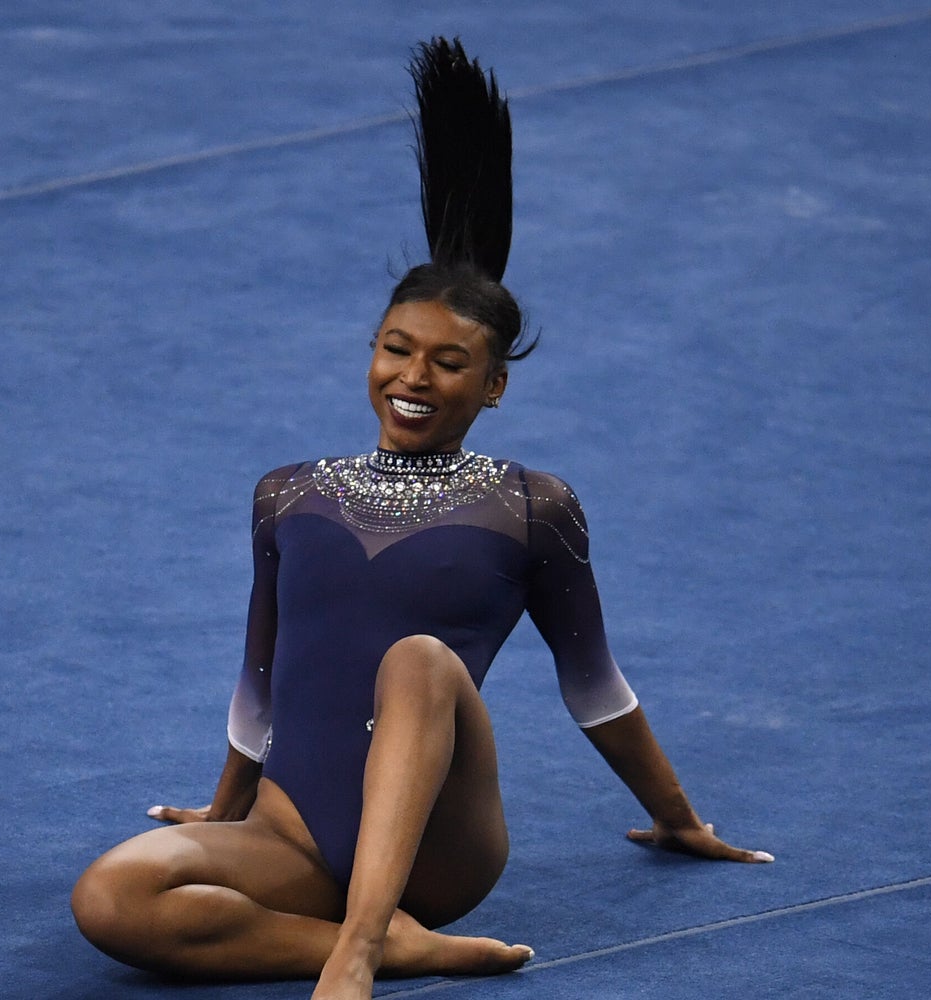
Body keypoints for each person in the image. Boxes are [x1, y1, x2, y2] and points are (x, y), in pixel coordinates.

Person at [71, 37, 771, 1000]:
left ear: (495, 387)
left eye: (449, 363)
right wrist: (227, 812)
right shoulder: (288, 493)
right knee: (110, 900)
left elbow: (595, 686)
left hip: (440, 851)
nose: (414, 377)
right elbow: (260, 677)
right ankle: (393, 947)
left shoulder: (532, 506)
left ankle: (363, 945)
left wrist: (679, 818)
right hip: (291, 831)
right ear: (371, 351)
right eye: (396, 349)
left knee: (419, 661)